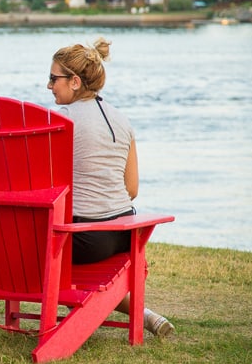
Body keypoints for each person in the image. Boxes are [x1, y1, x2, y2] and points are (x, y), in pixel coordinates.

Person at [48, 37, 175, 337]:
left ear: (75, 81)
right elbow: (131, 188)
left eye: (54, 79)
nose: (49, 86)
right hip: (124, 236)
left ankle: (74, 314)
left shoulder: (61, 120)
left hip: (84, 240)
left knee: (27, 241)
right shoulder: (122, 121)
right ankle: (144, 315)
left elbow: (45, 186)